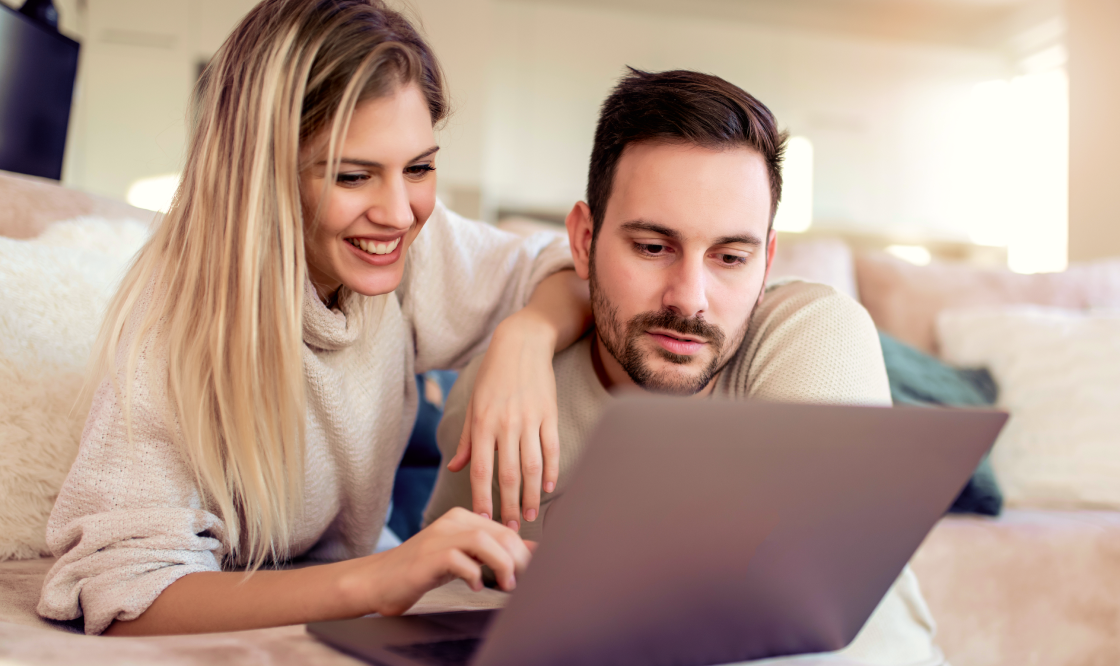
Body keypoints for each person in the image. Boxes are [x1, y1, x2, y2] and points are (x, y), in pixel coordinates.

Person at [37, 0, 591, 636]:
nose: (400, 214)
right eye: (353, 176)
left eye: (419, 168)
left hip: (377, 494)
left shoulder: (414, 247)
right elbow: (123, 591)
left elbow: (566, 264)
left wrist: (523, 339)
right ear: (265, 176)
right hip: (355, 549)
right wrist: (379, 578)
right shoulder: (170, 326)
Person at [425, 68, 945, 665]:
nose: (689, 297)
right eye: (653, 248)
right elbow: (445, 603)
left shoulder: (814, 334)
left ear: (766, 259)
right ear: (584, 239)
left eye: (729, 256)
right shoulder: (503, 397)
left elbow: (791, 592)